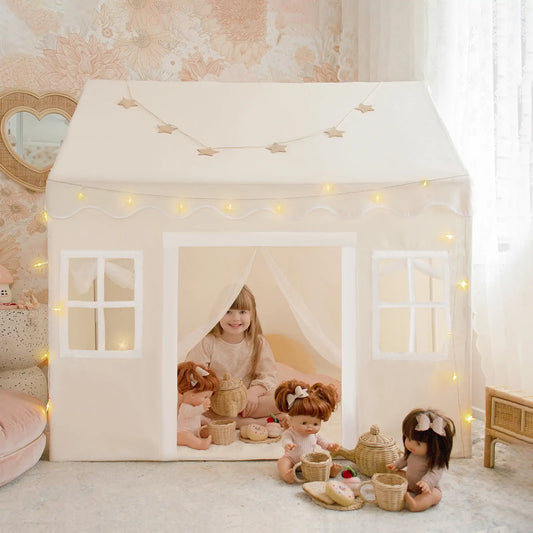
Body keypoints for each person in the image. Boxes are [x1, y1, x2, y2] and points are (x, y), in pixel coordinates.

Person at [186, 285, 278, 422]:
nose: (235, 318)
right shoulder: (207, 342)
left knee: (281, 401)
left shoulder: (258, 342)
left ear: (252, 314)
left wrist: (253, 393)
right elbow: (194, 375)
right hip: (217, 402)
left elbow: (268, 375)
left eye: (242, 312)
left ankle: (235, 420)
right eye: (228, 312)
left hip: (247, 400)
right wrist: (215, 395)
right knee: (192, 405)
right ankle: (242, 422)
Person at [386, 408, 455, 512]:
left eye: (418, 444)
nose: (411, 445)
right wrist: (396, 465)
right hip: (410, 482)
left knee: (435, 495)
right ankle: (392, 491)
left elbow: (434, 474)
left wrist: (426, 482)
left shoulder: (434, 460)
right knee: (396, 476)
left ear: (434, 446)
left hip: (427, 488)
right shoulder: (412, 453)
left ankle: (417, 503)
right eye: (409, 439)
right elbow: (404, 459)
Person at [274, 379, 341, 484]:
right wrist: (288, 445)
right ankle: (287, 474)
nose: (310, 427)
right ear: (291, 419)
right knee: (282, 462)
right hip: (292, 459)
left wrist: (329, 446)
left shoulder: (315, 434)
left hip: (309, 460)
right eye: (304, 423)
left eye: (315, 424)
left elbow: (323, 442)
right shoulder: (290, 432)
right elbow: (286, 439)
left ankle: (330, 470)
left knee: (324, 460)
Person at [177, 361, 219, 450]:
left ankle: (209, 435)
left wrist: (207, 421)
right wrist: (202, 408)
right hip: (181, 432)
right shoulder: (184, 406)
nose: (208, 400)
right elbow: (190, 413)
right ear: (192, 395)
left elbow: (197, 416)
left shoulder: (194, 406)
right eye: (205, 397)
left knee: (206, 429)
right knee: (187, 436)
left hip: (195, 430)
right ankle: (200, 444)